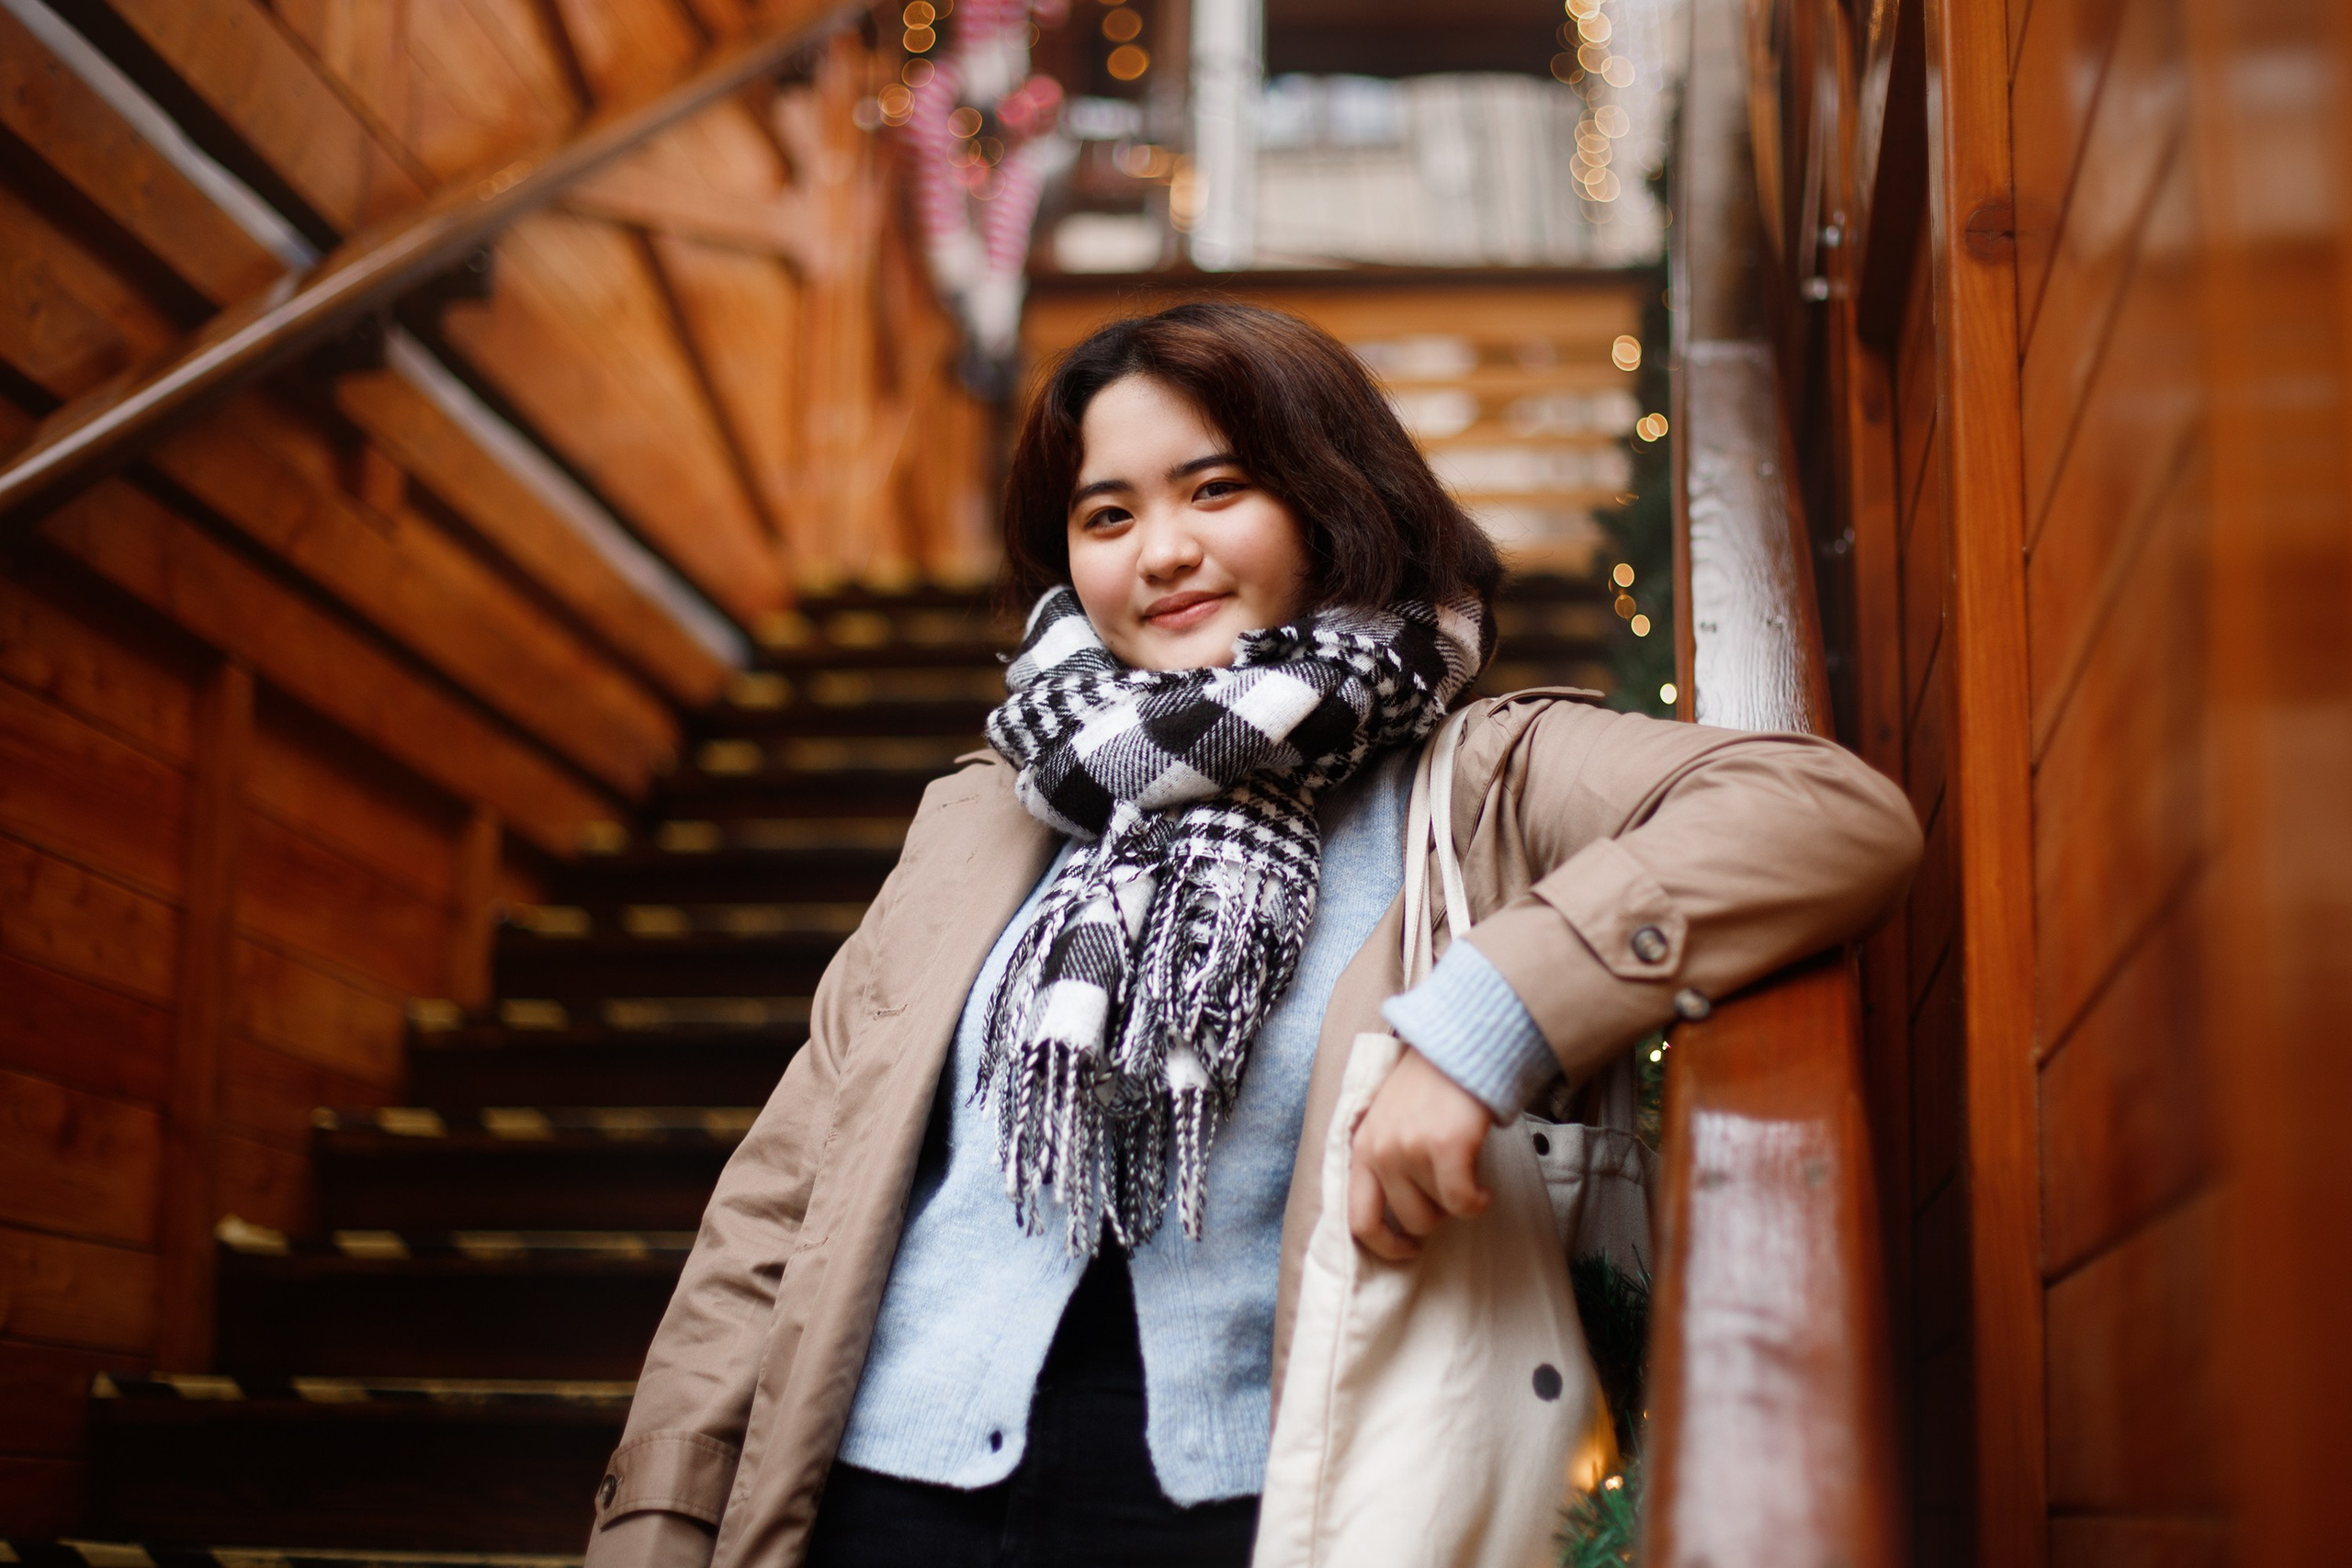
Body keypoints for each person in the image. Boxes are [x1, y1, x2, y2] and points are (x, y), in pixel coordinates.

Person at [581, 302, 1921, 1568]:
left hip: (1249, 1513)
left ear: (1335, 499)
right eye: (1108, 515)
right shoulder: (991, 812)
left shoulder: (1480, 781)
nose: (1160, 551)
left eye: (1215, 490)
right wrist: (662, 1520)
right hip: (871, 1504)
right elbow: (778, 1201)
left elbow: (1821, 811)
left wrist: (1483, 1026)